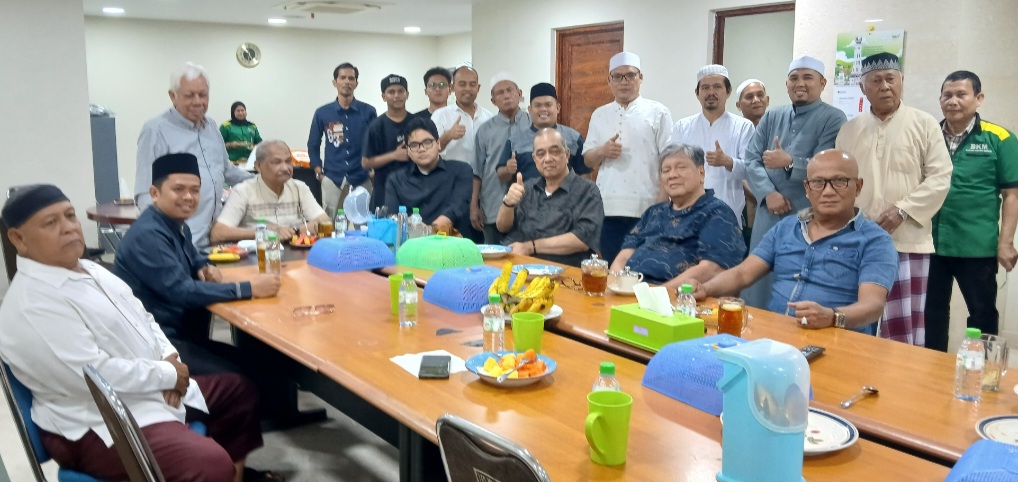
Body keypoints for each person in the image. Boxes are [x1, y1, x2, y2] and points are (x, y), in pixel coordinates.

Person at [0, 184, 281, 482]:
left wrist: (169, 357)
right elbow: (92, 377)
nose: (69, 228)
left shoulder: (90, 270)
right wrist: (167, 375)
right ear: (19, 238)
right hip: (97, 421)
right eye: (51, 223)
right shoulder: (33, 303)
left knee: (238, 392)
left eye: (70, 216)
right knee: (209, 463)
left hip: (146, 386)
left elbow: (143, 317)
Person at [690, 150, 898, 335]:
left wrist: (832, 317)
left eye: (839, 181)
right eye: (818, 183)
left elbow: (873, 305)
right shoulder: (786, 228)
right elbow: (742, 273)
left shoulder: (875, 240)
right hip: (776, 335)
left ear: (858, 186)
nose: (827, 191)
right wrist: (705, 289)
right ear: (807, 188)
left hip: (837, 339)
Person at [116, 153, 281, 363]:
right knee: (258, 373)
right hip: (162, 347)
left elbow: (195, 256)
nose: (188, 197)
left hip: (183, 335)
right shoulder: (149, 235)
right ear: (154, 193)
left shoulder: (175, 224)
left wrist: (205, 266)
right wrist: (250, 288)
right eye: (178, 189)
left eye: (195, 190)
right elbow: (182, 291)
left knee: (265, 364)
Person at [835, 53, 952, 346]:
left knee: (902, 327)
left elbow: (940, 176)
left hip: (907, 238)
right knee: (856, 320)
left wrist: (903, 210)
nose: (885, 86)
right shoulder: (849, 130)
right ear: (863, 88)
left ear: (902, 82)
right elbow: (837, 179)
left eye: (891, 79)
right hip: (857, 240)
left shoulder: (925, 124)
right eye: (876, 80)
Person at [742, 56, 847, 309]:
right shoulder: (772, 116)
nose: (800, 83)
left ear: (822, 84)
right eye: (794, 78)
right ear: (786, 84)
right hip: (769, 212)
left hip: (805, 213)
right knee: (758, 278)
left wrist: (790, 162)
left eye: (808, 77)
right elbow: (751, 159)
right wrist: (768, 194)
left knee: (798, 278)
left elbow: (826, 166)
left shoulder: (833, 118)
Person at [927, 71, 1018, 351]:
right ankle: (930, 371)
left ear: (978, 99)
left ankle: (983, 372)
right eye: (947, 95)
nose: (953, 101)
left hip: (977, 247)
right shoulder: (928, 134)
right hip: (930, 244)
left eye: (961, 94)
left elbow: (1012, 195)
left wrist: (1005, 242)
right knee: (932, 315)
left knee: (982, 315)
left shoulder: (999, 138)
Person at [135, 62, 253, 249]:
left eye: (203, 95)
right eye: (189, 95)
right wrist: (163, 241)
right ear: (173, 96)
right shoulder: (155, 130)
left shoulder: (212, 127)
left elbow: (226, 171)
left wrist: (261, 179)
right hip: (182, 245)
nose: (198, 101)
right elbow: (145, 194)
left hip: (218, 242)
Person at [610, 144, 745, 288]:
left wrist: (657, 294)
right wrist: (617, 285)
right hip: (631, 292)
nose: (672, 175)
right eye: (666, 170)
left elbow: (712, 269)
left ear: (701, 173)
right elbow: (623, 257)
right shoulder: (654, 212)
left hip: (679, 299)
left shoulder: (717, 213)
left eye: (681, 167)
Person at [582, 51, 673, 264]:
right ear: (609, 80)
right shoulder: (599, 114)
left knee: (644, 270)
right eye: (618, 76)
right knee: (612, 271)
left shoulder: (658, 112)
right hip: (607, 208)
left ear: (640, 78)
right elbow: (587, 160)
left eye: (630, 76)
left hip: (647, 208)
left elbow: (669, 161)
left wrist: (661, 204)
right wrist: (602, 152)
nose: (624, 82)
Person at [497, 128, 604, 266]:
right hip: (519, 265)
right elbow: (502, 227)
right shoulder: (527, 187)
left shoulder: (587, 190)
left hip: (562, 272)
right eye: (540, 154)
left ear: (566, 154)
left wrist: (530, 247)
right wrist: (508, 204)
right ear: (535, 160)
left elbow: (582, 239)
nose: (547, 159)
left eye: (554, 151)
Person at [671, 64, 755, 226]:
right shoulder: (683, 127)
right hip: (688, 216)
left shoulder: (743, 127)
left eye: (717, 86)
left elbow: (751, 170)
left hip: (727, 217)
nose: (711, 92)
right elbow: (672, 168)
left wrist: (728, 162)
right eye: (705, 87)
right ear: (697, 93)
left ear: (728, 91)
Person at [211, 140, 330, 243]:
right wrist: (265, 232)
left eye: (288, 161)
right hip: (258, 257)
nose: (285, 168)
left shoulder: (299, 187)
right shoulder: (243, 191)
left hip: (296, 255)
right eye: (276, 162)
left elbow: (325, 221)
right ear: (258, 166)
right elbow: (218, 233)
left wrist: (295, 230)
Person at [308, 62, 377, 217]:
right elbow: (313, 144)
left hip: (361, 175)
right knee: (328, 222)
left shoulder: (368, 111)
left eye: (351, 78)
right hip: (332, 177)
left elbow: (376, 142)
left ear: (356, 83)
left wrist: (373, 169)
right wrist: (319, 171)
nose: (347, 82)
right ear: (335, 82)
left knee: (364, 221)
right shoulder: (322, 113)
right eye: (343, 78)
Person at [384, 117, 473, 235]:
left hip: (452, 244)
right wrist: (410, 224)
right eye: (414, 145)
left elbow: (456, 208)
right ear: (408, 151)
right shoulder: (395, 180)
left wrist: (429, 230)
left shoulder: (461, 170)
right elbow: (393, 217)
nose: (421, 149)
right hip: (413, 246)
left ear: (438, 144)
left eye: (427, 142)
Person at [472, 73, 531, 243]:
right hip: (493, 204)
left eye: (509, 90)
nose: (506, 96)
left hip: (530, 206)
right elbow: (477, 171)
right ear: (493, 101)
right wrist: (474, 206)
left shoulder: (533, 124)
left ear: (519, 94)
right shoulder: (485, 130)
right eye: (500, 93)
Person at [497, 82, 592, 183]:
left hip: (565, 197)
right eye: (538, 105)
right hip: (526, 197)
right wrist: (508, 169)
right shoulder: (515, 140)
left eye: (548, 105)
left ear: (558, 108)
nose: (543, 109)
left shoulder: (574, 138)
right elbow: (501, 176)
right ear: (530, 110)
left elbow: (584, 173)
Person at [362, 74, 415, 210]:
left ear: (407, 94)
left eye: (400, 91)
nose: (396, 95)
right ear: (383, 96)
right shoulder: (377, 126)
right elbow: (366, 162)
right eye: (391, 92)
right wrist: (394, 155)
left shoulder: (417, 123)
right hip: (384, 190)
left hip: (415, 188)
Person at [220, 101, 263, 166]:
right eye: (238, 111)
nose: (241, 113)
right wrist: (230, 144)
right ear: (233, 112)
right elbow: (217, 144)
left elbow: (259, 142)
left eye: (242, 110)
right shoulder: (226, 126)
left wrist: (255, 147)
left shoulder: (252, 126)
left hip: (250, 163)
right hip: (232, 163)